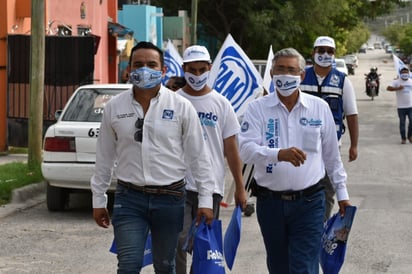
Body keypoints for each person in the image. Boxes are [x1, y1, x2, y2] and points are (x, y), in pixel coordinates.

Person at [90, 41, 214, 273]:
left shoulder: (181, 106)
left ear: (163, 70)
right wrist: (98, 200)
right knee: (128, 265)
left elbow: (199, 156)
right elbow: (104, 156)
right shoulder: (114, 107)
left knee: (166, 266)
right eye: (138, 64)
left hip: (170, 198)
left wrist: (206, 200)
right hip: (129, 199)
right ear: (128, 70)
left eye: (151, 64)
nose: (144, 69)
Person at [238, 47, 351, 274]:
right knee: (278, 265)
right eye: (280, 69)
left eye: (291, 70)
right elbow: (245, 150)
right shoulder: (257, 108)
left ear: (301, 75)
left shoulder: (319, 108)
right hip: (270, 203)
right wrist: (278, 154)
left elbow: (331, 156)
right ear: (272, 73)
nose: (285, 75)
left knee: (304, 266)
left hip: (309, 202)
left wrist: (342, 194)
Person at [175, 45, 248, 274]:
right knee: (178, 240)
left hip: (212, 186)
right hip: (179, 184)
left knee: (203, 244)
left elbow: (231, 148)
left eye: (201, 69)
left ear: (209, 69)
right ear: (184, 69)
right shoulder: (173, 101)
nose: (197, 75)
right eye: (192, 70)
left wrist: (239, 186)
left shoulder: (221, 103)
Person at [300, 36, 358, 220]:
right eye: (321, 50)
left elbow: (351, 114)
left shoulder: (342, 81)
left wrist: (354, 145)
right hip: (299, 144)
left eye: (329, 51)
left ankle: (320, 226)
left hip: (330, 145)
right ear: (313, 52)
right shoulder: (301, 76)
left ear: (334, 54)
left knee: (326, 189)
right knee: (300, 187)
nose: (325, 54)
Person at [386, 65, 412, 144]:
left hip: (411, 106)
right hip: (401, 107)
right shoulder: (396, 81)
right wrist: (397, 88)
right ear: (400, 73)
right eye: (403, 72)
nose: (405, 74)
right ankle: (403, 138)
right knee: (402, 123)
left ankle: (410, 136)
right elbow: (388, 88)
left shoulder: (411, 81)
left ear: (408, 73)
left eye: (406, 72)